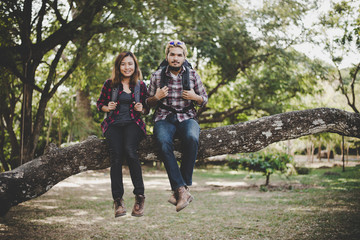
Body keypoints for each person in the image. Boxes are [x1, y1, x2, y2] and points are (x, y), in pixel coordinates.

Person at [146, 40, 208, 212]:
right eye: (172, 54)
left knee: (191, 137)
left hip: (187, 116)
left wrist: (195, 97)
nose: (175, 58)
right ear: (167, 56)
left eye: (179, 55)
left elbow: (205, 100)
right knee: (163, 142)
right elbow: (147, 104)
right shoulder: (157, 76)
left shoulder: (193, 75)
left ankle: (181, 188)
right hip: (164, 118)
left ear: (184, 57)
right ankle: (182, 190)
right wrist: (156, 97)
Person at [96, 51, 149, 218]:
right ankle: (118, 200)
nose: (127, 67)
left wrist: (142, 109)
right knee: (116, 156)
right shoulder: (109, 84)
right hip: (114, 124)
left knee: (130, 151)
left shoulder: (141, 85)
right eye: (123, 64)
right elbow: (99, 104)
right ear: (118, 66)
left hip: (134, 124)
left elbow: (147, 108)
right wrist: (107, 107)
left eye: (130, 64)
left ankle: (139, 197)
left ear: (135, 66)